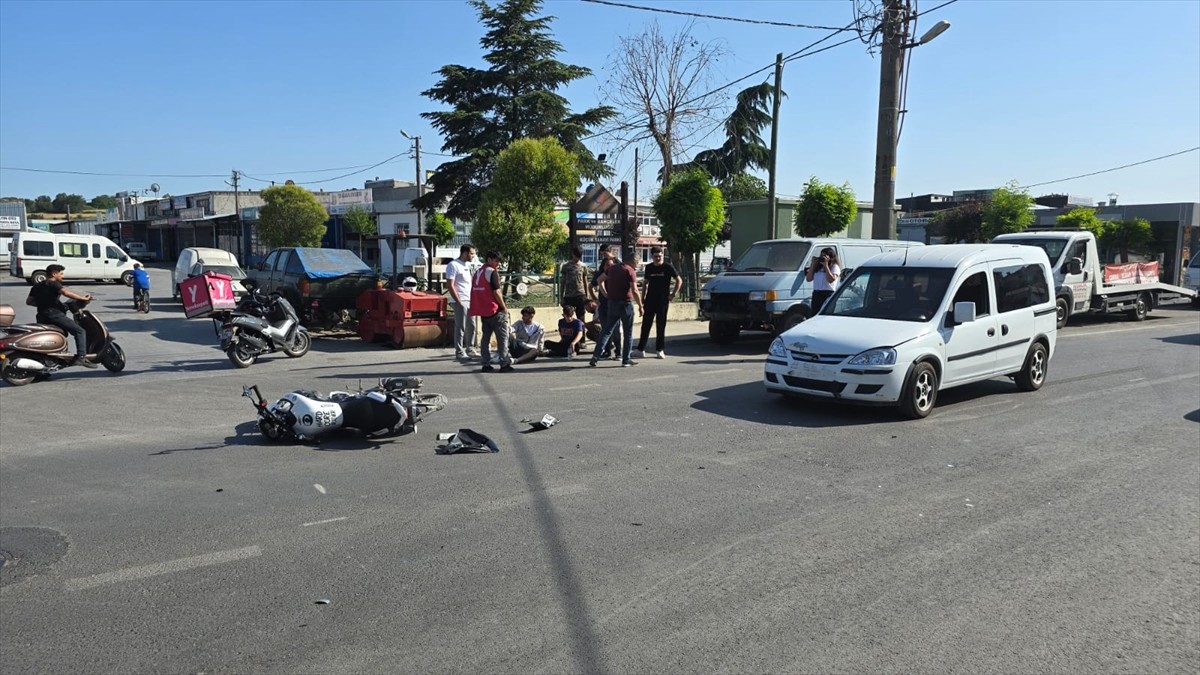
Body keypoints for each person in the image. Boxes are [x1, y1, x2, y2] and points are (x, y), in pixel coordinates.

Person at [25, 264, 98, 368]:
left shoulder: (36, 286)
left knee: (55, 336)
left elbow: (29, 302)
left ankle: (51, 360)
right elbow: (65, 292)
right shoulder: (54, 284)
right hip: (54, 314)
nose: (63, 276)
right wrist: (82, 298)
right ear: (54, 274)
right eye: (61, 274)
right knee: (80, 331)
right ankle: (81, 357)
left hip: (41, 315)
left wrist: (44, 303)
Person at [590, 251, 643, 367]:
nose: (637, 265)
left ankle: (596, 356)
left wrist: (605, 294)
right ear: (633, 261)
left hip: (612, 303)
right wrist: (640, 305)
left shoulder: (612, 269)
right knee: (628, 332)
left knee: (606, 331)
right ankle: (626, 359)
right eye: (637, 263)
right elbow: (634, 290)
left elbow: (599, 280)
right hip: (625, 304)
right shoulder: (630, 271)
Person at [632, 246, 681, 359]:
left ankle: (660, 349)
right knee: (645, 325)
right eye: (655, 256)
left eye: (659, 256)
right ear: (652, 256)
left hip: (663, 300)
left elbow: (679, 280)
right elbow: (645, 283)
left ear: (662, 255)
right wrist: (643, 298)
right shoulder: (649, 268)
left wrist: (673, 294)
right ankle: (640, 349)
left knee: (661, 325)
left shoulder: (668, 267)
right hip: (650, 299)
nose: (658, 258)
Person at [468, 251, 513, 372]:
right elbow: (496, 291)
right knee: (503, 338)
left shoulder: (478, 272)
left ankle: (485, 363)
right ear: (489, 259)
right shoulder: (491, 272)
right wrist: (503, 306)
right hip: (494, 309)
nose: (497, 264)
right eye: (496, 261)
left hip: (483, 310)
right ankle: (504, 363)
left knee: (485, 338)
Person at [445, 244, 479, 361]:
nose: (473, 256)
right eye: (472, 253)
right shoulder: (453, 265)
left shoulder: (466, 265)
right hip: (460, 300)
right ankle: (459, 351)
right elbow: (450, 284)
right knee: (461, 326)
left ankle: (470, 348)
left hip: (470, 300)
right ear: (465, 253)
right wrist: (458, 300)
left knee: (472, 325)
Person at [591, 256, 622, 360]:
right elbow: (590, 287)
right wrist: (595, 299)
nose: (609, 267)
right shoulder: (599, 275)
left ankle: (618, 352)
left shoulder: (617, 275)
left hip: (614, 306)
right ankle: (607, 351)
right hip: (603, 306)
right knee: (605, 330)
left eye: (611, 265)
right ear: (603, 266)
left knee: (616, 330)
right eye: (607, 265)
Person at [559, 246, 592, 322]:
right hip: (569, 295)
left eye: (578, 257)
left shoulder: (583, 266)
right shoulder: (566, 266)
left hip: (580, 295)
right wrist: (561, 297)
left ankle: (582, 333)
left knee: (581, 317)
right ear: (573, 254)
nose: (577, 258)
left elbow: (585, 281)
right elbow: (563, 282)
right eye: (576, 256)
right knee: (568, 316)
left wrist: (587, 296)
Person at [806, 246, 841, 312]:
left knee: (825, 314)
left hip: (827, 294)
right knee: (815, 314)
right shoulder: (818, 267)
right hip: (816, 294)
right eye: (821, 256)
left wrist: (826, 266)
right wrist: (813, 265)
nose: (822, 258)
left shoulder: (834, 267)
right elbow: (809, 279)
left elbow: (831, 280)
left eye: (824, 256)